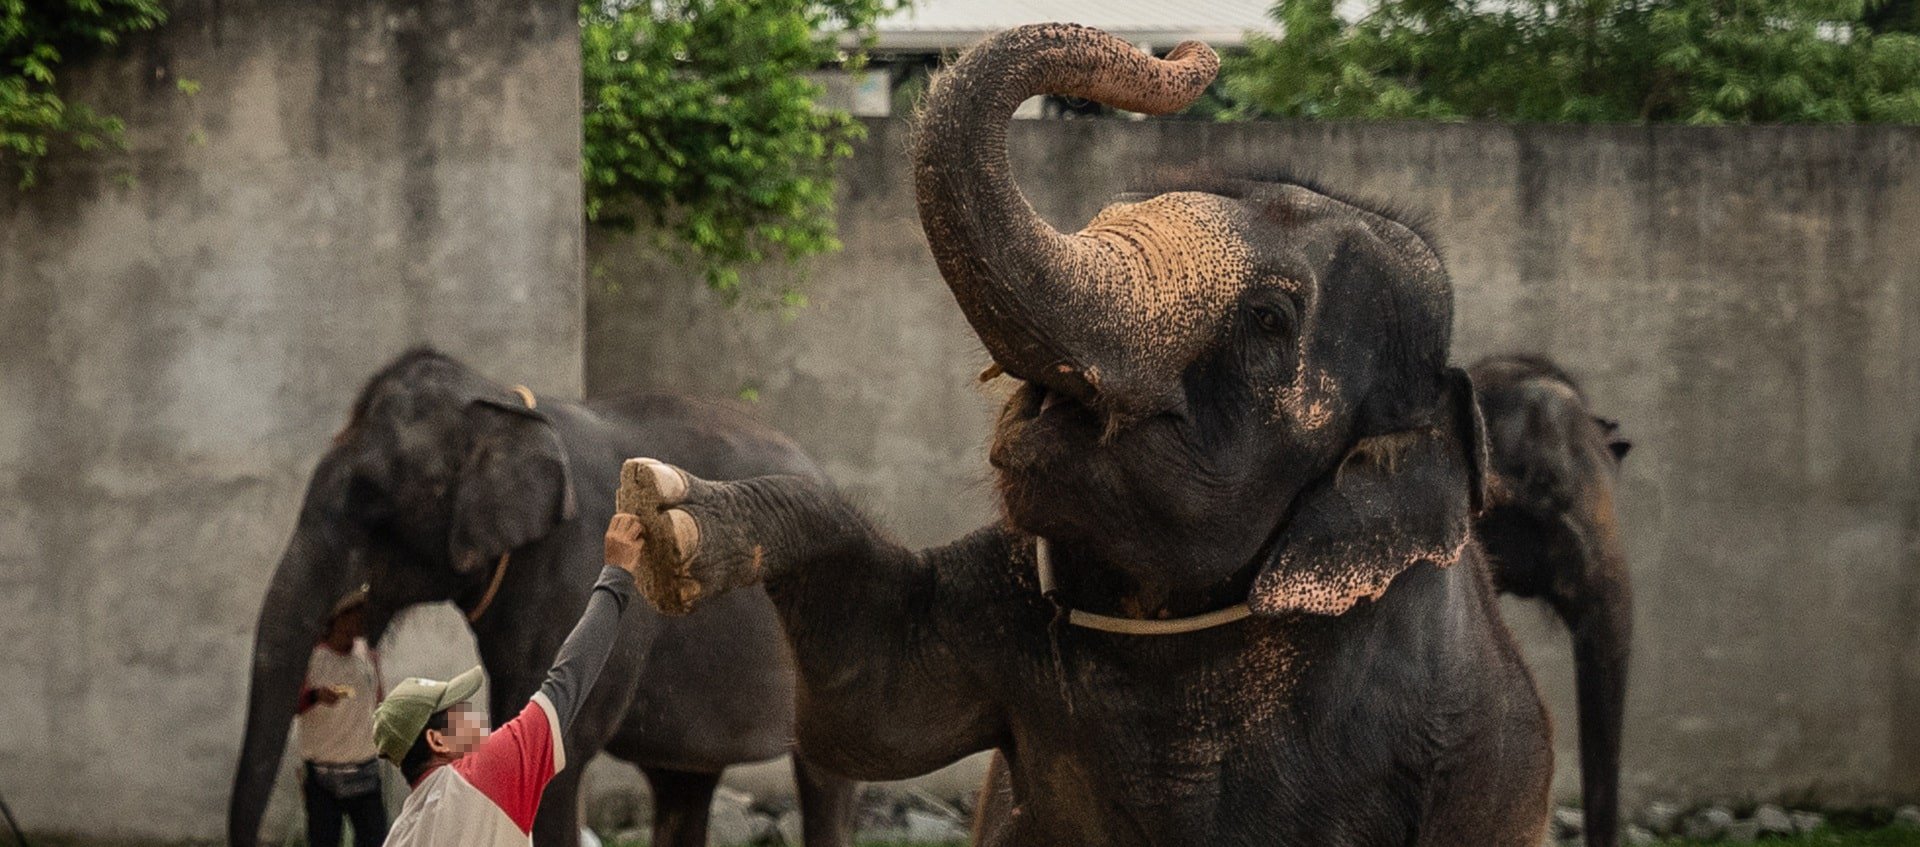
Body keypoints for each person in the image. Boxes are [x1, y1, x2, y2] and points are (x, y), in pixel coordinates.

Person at [371, 513, 647, 846]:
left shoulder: (400, 834)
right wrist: (616, 576)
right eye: (459, 714)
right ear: (437, 741)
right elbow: (567, 682)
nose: (475, 719)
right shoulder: (486, 775)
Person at [298, 587, 388, 847]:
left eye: (362, 617)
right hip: (323, 775)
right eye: (352, 616)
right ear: (336, 617)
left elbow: (379, 701)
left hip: (365, 771)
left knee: (374, 840)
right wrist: (315, 696)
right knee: (324, 840)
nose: (358, 624)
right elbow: (294, 703)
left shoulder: (367, 656)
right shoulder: (313, 658)